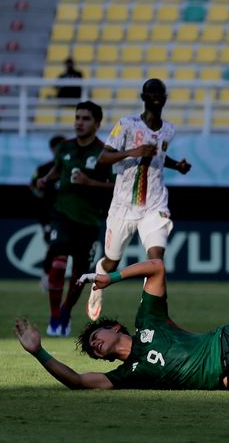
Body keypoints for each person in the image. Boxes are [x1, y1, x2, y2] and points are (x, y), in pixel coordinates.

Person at [14, 258, 229, 390]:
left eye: (94, 336)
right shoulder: (130, 375)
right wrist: (38, 351)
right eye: (93, 351)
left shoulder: (148, 320)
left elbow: (155, 266)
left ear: (114, 328)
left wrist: (110, 278)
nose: (94, 346)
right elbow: (77, 381)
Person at [87, 78, 191, 321]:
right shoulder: (126, 125)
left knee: (156, 261)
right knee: (111, 263)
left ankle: (150, 312)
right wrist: (133, 152)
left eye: (159, 92)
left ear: (165, 98)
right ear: (143, 97)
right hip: (123, 205)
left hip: (154, 205)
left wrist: (178, 165)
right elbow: (103, 158)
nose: (155, 96)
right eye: (150, 92)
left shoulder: (169, 130)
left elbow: (159, 156)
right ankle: (97, 284)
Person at [35, 102, 114, 337]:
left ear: (97, 124)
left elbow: (115, 186)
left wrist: (90, 183)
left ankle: (66, 311)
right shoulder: (64, 147)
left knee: (80, 275)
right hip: (62, 214)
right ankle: (54, 316)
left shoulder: (104, 153)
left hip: (89, 220)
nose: (79, 122)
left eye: (86, 118)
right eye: (77, 117)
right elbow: (58, 169)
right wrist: (46, 179)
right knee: (58, 262)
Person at [30, 134, 66, 286]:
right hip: (49, 215)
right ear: (52, 150)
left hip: (68, 215)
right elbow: (32, 185)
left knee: (60, 247)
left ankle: (53, 276)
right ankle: (47, 275)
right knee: (54, 245)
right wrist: (40, 193)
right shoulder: (43, 169)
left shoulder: (71, 167)